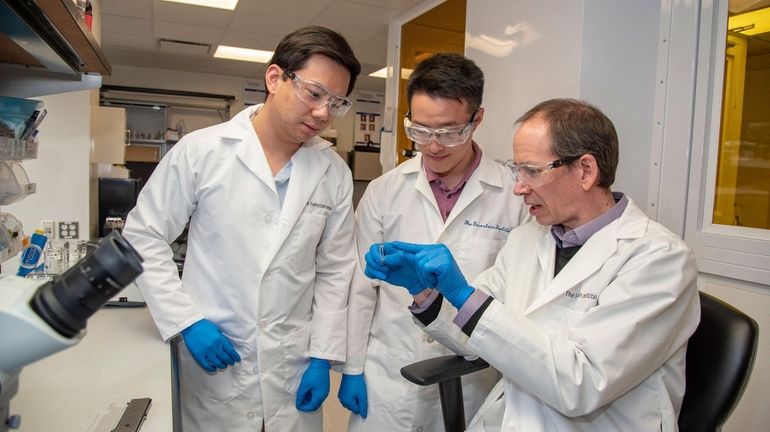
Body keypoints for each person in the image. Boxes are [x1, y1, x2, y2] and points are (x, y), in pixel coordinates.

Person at [365, 98, 701, 431]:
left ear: (585, 170)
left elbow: (581, 383)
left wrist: (465, 294)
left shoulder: (658, 259)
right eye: (516, 170)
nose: (518, 187)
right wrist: (424, 291)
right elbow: (475, 334)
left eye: (532, 171)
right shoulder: (528, 239)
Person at [123, 26, 361, 432]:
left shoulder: (333, 172)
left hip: (293, 366)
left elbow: (337, 270)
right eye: (314, 93)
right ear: (275, 78)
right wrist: (186, 321)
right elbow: (143, 235)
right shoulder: (203, 151)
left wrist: (323, 357)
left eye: (336, 102)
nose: (323, 113)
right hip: (217, 362)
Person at [337, 53, 530, 431]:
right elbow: (361, 290)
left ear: (477, 119)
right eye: (420, 130)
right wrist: (352, 368)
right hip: (388, 376)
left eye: (448, 132)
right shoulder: (383, 191)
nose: (433, 146)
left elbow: (518, 298)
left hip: (474, 374)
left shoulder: (515, 197)